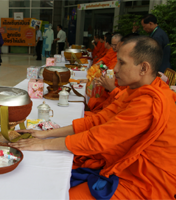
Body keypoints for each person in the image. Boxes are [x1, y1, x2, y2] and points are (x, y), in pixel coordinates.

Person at [10, 36, 176, 199]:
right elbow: (99, 120)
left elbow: (98, 139)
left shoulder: (149, 102)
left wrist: (44, 145)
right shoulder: (136, 90)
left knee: (65, 194)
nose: (115, 69)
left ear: (144, 68)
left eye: (122, 63)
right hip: (129, 165)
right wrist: (46, 134)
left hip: (145, 180)